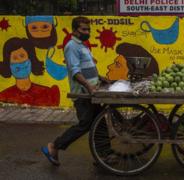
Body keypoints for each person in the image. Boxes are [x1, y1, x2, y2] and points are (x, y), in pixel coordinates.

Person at [41, 16, 109, 166]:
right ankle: (54, 146)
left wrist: (99, 77)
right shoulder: (71, 46)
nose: (87, 32)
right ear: (75, 30)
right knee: (85, 124)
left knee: (100, 122)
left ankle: (103, 156)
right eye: (83, 29)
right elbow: (75, 71)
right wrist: (89, 86)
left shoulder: (83, 46)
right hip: (83, 93)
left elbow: (87, 67)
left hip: (92, 92)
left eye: (88, 29)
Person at [0, 37, 60, 106]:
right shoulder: (4, 97)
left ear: (31, 59)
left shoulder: (47, 93)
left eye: (22, 56)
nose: (20, 61)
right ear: (8, 64)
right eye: (15, 58)